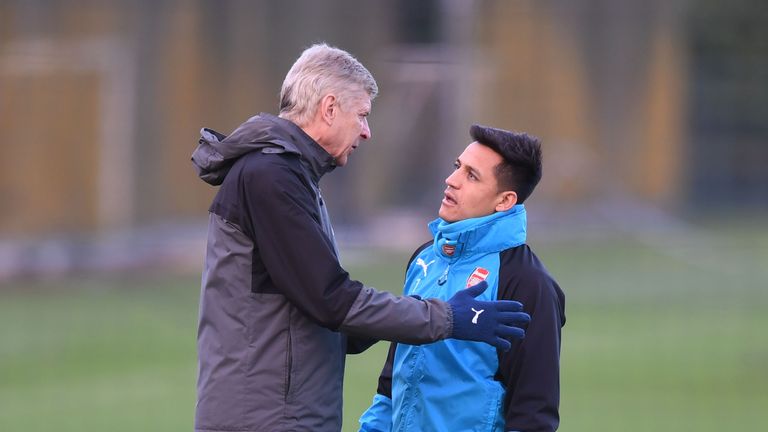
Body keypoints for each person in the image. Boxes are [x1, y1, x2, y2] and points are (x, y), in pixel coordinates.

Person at [190, 44, 531, 432]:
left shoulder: (291, 176)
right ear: (330, 108)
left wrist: (414, 316)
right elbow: (332, 302)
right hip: (265, 419)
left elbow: (324, 318)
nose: (366, 132)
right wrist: (447, 317)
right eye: (362, 115)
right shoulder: (271, 177)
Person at [359, 125, 566, 432]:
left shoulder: (526, 282)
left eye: (471, 176)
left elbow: (534, 415)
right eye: (457, 167)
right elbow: (392, 380)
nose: (451, 180)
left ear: (505, 200)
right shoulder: (424, 258)